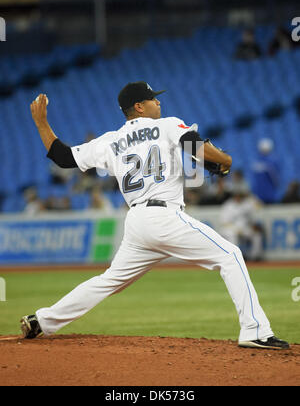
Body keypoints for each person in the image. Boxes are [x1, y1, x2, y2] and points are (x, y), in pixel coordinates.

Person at [20, 84, 289, 350]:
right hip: (164, 217)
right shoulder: (168, 125)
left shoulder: (110, 140)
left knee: (109, 281)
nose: (158, 103)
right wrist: (225, 160)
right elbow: (195, 146)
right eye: (152, 99)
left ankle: (41, 321)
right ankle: (256, 331)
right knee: (230, 256)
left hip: (137, 222)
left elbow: (63, 157)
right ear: (139, 106)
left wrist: (42, 123)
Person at [219, 185, 265, 262]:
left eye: (240, 195)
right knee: (232, 235)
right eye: (237, 195)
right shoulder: (228, 205)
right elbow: (224, 222)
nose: (238, 197)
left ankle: (255, 257)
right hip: (230, 229)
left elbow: (260, 206)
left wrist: (251, 196)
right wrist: (236, 229)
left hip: (244, 228)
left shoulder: (247, 204)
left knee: (257, 234)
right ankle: (234, 257)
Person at [251, 138, 280, 204]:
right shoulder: (257, 161)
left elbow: (275, 178)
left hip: (269, 193)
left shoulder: (273, 161)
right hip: (260, 194)